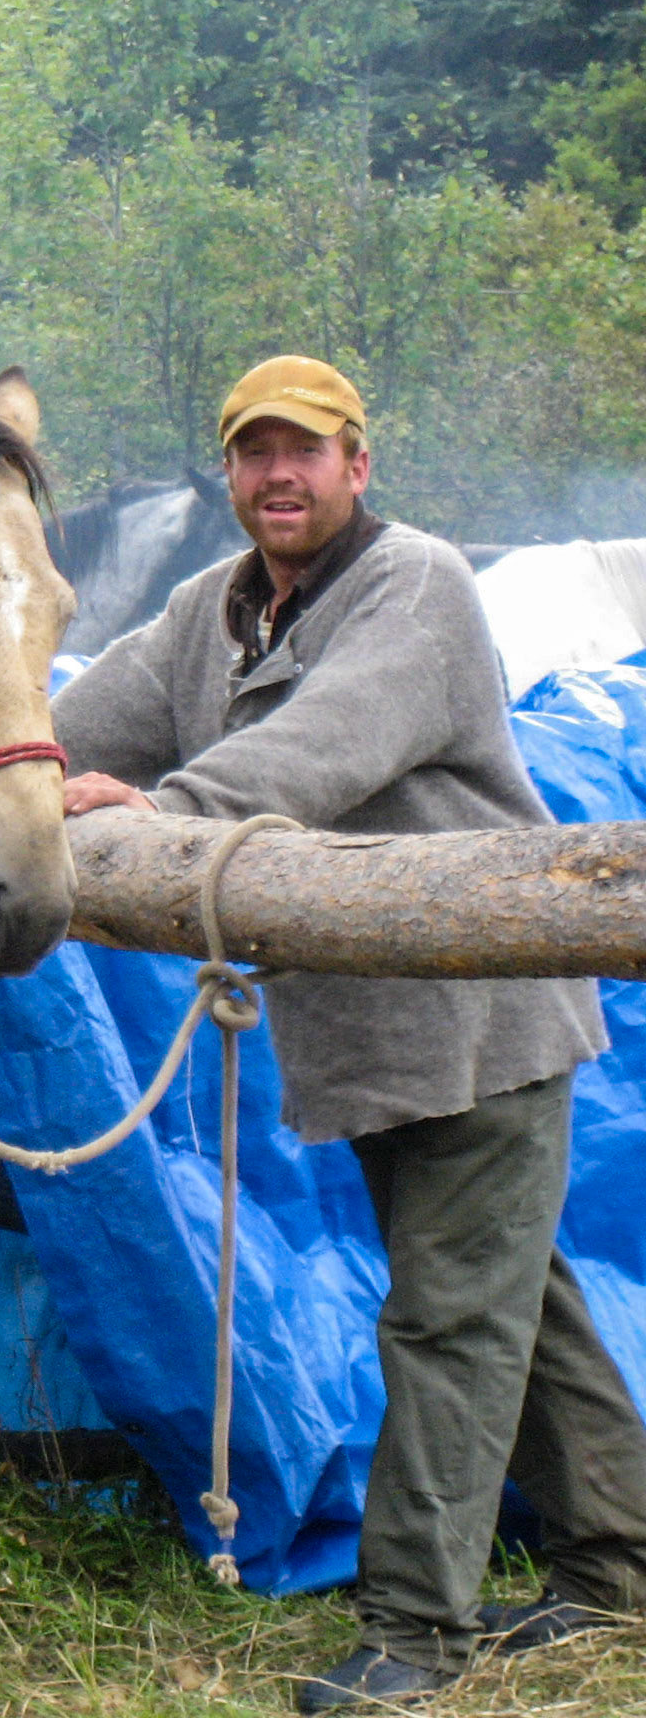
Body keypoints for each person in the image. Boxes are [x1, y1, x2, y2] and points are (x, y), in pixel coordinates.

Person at [52, 355, 646, 1712]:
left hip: (480, 1018)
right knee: (510, 1298)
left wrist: (164, 808)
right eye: (255, 454)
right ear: (230, 475)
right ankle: (619, 1564)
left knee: (448, 1323)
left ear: (356, 465)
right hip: (374, 1039)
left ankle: (416, 1635)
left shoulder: (417, 585)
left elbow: (331, 745)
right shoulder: (213, 612)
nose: (279, 475)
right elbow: (67, 725)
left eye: (305, 452)